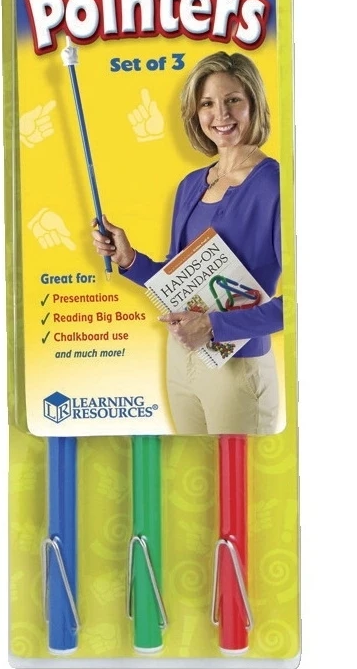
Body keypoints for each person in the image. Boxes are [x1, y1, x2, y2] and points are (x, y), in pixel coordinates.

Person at [92, 52, 282, 435]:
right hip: (183, 361)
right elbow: (179, 279)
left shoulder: (276, 186)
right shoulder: (192, 184)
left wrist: (214, 326)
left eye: (233, 100)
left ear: (254, 104)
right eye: (207, 104)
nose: (220, 115)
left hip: (237, 367)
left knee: (237, 472)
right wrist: (129, 259)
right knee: (190, 468)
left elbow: (298, 304)